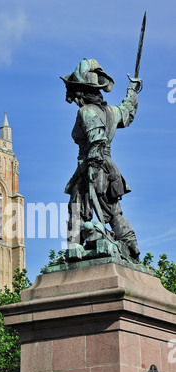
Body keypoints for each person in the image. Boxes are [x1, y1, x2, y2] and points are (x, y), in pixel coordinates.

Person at [61, 58, 142, 262]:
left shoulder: (86, 111)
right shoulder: (111, 112)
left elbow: (96, 139)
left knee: (77, 206)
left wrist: (92, 169)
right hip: (110, 169)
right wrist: (131, 91)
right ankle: (132, 245)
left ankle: (75, 248)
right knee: (113, 212)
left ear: (81, 90)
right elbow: (127, 112)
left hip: (92, 166)